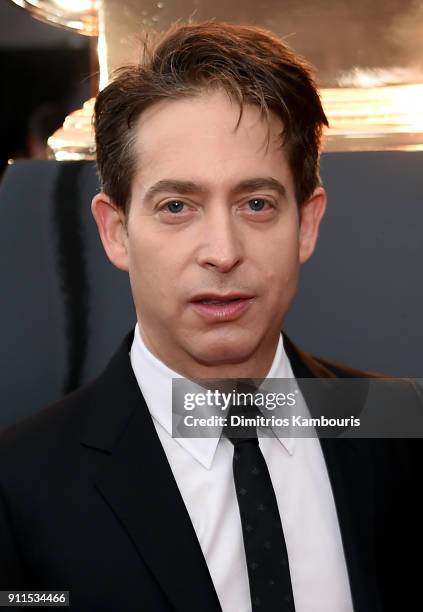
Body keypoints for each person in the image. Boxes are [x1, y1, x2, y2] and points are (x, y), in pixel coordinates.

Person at [0, 20, 421, 612]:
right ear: (116, 231)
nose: (222, 251)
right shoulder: (19, 485)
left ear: (308, 222)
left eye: (256, 203)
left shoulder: (398, 427)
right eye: (177, 206)